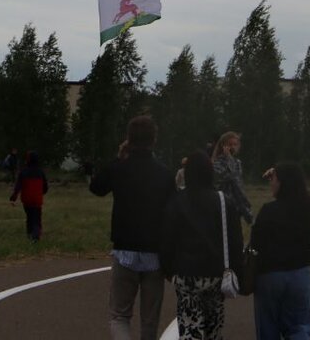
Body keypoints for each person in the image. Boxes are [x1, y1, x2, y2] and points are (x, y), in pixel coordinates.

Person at [89, 115, 175, 340]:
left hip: (124, 249)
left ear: (128, 139)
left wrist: (118, 158)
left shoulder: (120, 168)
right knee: (149, 321)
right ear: (154, 139)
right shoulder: (165, 174)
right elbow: (172, 212)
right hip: (155, 254)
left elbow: (96, 187)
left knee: (119, 315)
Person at [161, 152, 245, 340]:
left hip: (186, 273)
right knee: (214, 327)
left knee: (190, 324)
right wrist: (236, 269)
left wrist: (167, 269)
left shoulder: (177, 201)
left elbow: (167, 238)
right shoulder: (224, 201)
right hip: (216, 273)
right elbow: (235, 240)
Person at [251, 163, 310, 340]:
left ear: (283, 183)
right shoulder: (309, 206)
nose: (271, 183)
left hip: (270, 275)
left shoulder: (268, 210)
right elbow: (307, 195)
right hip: (300, 274)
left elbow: (255, 243)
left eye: (273, 179)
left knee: (268, 327)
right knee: (299, 326)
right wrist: (284, 172)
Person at [211, 131, 253, 224]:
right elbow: (225, 179)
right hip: (222, 205)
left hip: (235, 207)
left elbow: (239, 185)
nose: (233, 147)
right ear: (223, 146)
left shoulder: (237, 162)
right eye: (230, 144)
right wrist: (228, 159)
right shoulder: (217, 163)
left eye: (235, 144)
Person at [9, 151, 49, 242]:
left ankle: (30, 233)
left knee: (29, 216)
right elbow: (45, 187)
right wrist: (41, 193)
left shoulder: (23, 172)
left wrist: (13, 197)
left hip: (26, 199)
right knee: (37, 217)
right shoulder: (40, 172)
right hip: (37, 199)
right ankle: (35, 235)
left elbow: (18, 186)